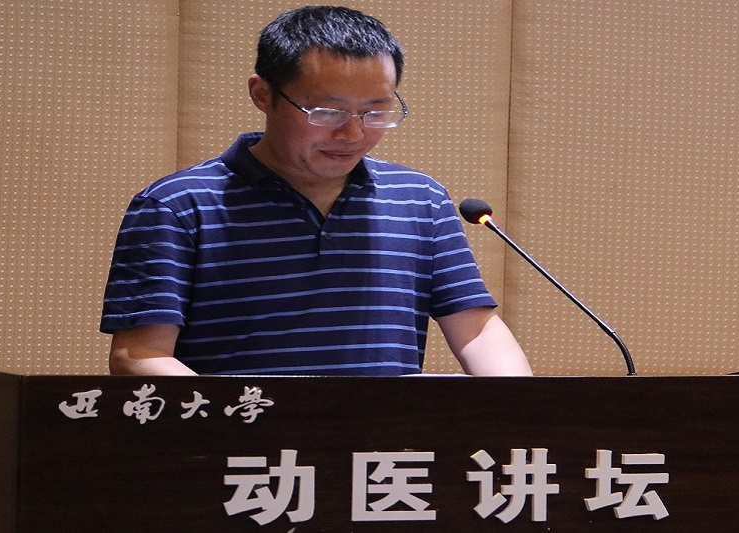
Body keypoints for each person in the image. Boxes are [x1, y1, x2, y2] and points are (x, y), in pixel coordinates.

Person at [100, 6, 532, 377]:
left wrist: (522, 406)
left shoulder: (420, 199)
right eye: (327, 111)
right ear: (262, 94)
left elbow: (476, 330)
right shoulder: (176, 205)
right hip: (244, 443)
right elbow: (139, 354)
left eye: (376, 112)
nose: (353, 133)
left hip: (385, 445)